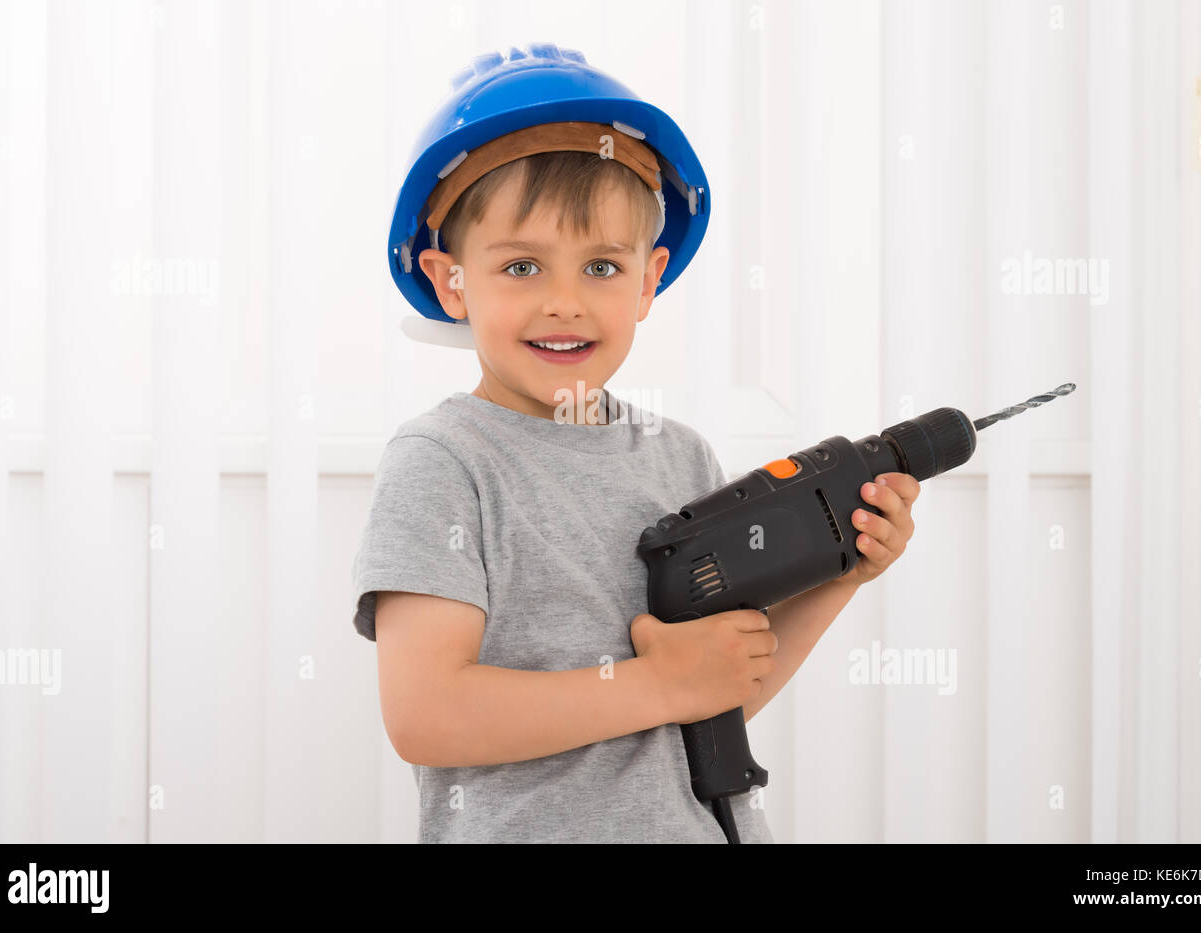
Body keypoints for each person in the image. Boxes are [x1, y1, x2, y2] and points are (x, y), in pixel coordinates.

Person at [351, 44, 919, 843]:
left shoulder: (679, 457)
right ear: (452, 282)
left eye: (602, 267)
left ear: (649, 280)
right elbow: (428, 714)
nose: (564, 302)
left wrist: (841, 574)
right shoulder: (445, 463)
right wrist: (658, 684)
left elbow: (717, 691)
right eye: (520, 265)